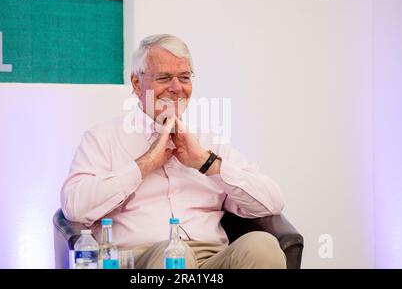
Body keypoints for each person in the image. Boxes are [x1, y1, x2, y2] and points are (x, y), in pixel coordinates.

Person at [61, 34, 286, 269]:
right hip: (142, 260)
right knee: (175, 256)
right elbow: (75, 207)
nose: (177, 88)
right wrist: (145, 164)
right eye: (164, 77)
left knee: (263, 247)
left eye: (184, 77)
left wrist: (206, 163)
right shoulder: (102, 138)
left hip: (211, 260)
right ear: (137, 84)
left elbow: (272, 202)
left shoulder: (209, 141)